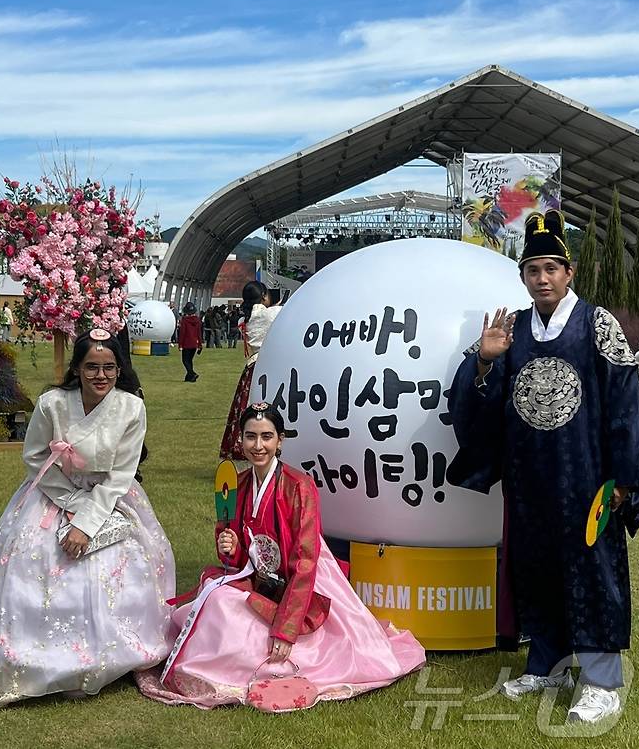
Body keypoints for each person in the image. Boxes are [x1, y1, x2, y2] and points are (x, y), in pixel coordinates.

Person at [447, 209, 639, 725]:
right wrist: (484, 362)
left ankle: (601, 680)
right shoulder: (511, 330)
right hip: (530, 479)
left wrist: (625, 478)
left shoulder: (596, 323)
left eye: (551, 268)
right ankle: (549, 663)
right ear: (523, 277)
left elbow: (626, 401)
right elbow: (474, 403)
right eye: (533, 270)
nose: (542, 278)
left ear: (569, 271)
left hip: (588, 479)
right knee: (536, 568)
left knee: (594, 572)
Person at [136, 402, 424, 709]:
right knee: (217, 602)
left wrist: (286, 630)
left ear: (280, 440)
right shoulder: (237, 484)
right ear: (241, 439)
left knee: (239, 614)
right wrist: (230, 548)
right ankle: (218, 666)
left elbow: (306, 559)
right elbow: (235, 556)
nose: (258, 446)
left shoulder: (300, 487)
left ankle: (247, 662)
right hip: (258, 578)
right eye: (250, 437)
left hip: (303, 577)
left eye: (266, 437)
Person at [0, 328, 175, 706]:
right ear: (77, 368)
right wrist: (69, 501)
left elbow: (122, 474)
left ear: (120, 370)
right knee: (34, 568)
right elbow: (35, 458)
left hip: (110, 498)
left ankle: (111, 654)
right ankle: (40, 655)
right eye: (91, 367)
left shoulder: (131, 408)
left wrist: (86, 523)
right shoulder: (52, 404)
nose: (100, 376)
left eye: (109, 367)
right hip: (51, 492)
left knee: (124, 566)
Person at [219, 281, 281, 460]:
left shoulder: (244, 318)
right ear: (263, 296)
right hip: (266, 365)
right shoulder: (270, 314)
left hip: (251, 366)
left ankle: (239, 444)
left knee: (244, 407)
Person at [177, 302, 202, 382]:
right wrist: (200, 344)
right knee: (189, 360)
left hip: (186, 343)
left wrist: (180, 344)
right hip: (195, 343)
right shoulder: (197, 320)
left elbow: (182, 333)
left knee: (185, 360)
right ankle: (189, 378)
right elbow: (199, 332)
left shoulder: (184, 320)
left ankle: (192, 373)